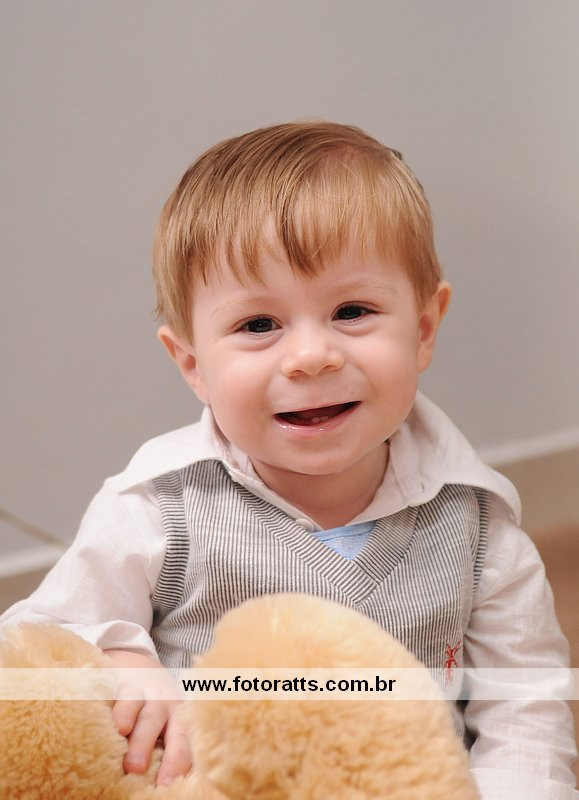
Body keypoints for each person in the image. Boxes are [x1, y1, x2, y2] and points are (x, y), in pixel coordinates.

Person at [1, 122, 576, 797]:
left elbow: (524, 706)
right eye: (258, 325)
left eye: (352, 311)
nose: (310, 357)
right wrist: (120, 655)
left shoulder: (477, 524)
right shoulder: (159, 507)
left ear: (423, 330)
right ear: (192, 363)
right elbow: (37, 639)